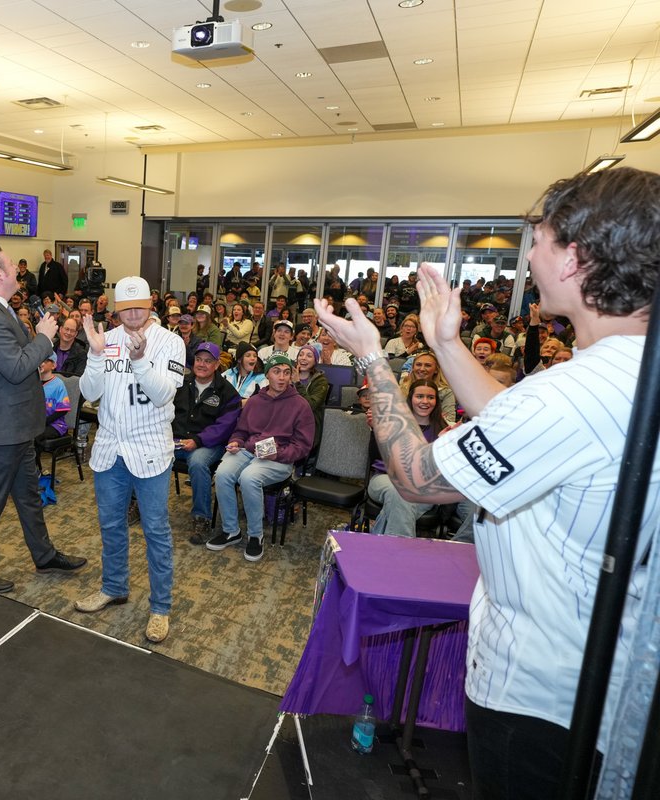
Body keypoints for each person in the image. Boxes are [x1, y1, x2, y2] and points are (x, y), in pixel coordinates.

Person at [314, 166, 660, 800]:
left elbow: (417, 479)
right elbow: (515, 423)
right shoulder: (626, 372)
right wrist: (447, 346)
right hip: (608, 687)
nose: (529, 256)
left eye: (540, 241)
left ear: (574, 259)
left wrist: (371, 357)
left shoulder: (567, 396)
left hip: (543, 700)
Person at [0, 244, 86, 594]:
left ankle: (43, 555)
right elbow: (17, 368)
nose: (18, 268)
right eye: (11, 264)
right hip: (1, 428)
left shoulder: (0, 309)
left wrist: (39, 338)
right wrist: (44, 338)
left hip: (16, 424)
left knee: (29, 496)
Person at [75, 275, 186, 644]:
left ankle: (161, 607)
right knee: (110, 525)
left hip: (150, 449)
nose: (133, 314)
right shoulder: (106, 339)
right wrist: (94, 354)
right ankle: (114, 587)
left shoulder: (170, 342)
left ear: (151, 305)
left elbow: (163, 395)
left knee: (155, 530)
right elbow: (89, 392)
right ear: (117, 309)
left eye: (139, 307)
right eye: (126, 309)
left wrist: (139, 361)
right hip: (110, 448)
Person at [207, 354, 314, 563]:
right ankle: (231, 530)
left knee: (249, 478)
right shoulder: (255, 401)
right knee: (223, 473)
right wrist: (236, 441)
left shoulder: (301, 405)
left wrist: (278, 454)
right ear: (267, 375)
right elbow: (241, 431)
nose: (282, 377)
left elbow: (302, 447)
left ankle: (255, 535)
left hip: (279, 458)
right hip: (249, 450)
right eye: (276, 372)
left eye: (286, 372)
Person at [173, 342, 242, 545]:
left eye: (208, 361)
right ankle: (139, 505)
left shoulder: (227, 392)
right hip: (177, 440)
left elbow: (225, 426)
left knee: (198, 463)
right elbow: (166, 412)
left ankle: (201, 518)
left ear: (217, 364)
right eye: (199, 359)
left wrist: (197, 440)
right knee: (148, 452)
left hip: (209, 444)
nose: (202, 364)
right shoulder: (180, 384)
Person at [365, 380, 448, 536]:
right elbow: (376, 457)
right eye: (420, 396)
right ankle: (401, 548)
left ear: (436, 401)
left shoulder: (443, 430)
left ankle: (381, 540)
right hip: (385, 479)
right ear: (411, 398)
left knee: (399, 503)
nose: (425, 401)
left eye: (430, 397)